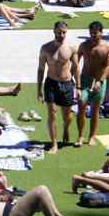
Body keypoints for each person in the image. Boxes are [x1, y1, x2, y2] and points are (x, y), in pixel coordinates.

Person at [36, 22, 76, 154]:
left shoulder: (71, 47)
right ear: (54, 32)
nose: (61, 35)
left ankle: (66, 128)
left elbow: (76, 67)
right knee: (51, 113)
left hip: (67, 83)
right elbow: (41, 69)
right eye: (59, 32)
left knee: (66, 116)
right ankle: (54, 144)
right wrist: (39, 90)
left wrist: (79, 87)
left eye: (64, 32)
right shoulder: (45, 48)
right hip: (51, 83)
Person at [76, 21, 109, 147]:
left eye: (95, 34)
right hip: (85, 79)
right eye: (91, 34)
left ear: (101, 33)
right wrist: (76, 81)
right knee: (81, 105)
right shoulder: (84, 46)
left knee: (95, 110)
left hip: (99, 81)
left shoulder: (107, 48)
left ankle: (91, 136)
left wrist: (100, 81)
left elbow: (107, 66)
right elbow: (75, 63)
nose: (92, 36)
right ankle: (80, 136)